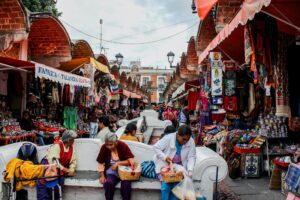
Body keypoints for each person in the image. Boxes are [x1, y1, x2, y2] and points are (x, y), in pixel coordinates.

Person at [153, 125, 196, 200]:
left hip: (179, 168)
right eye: (184, 139)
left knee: (177, 188)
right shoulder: (168, 138)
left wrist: (190, 170)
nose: (185, 142)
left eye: (187, 140)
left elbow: (191, 156)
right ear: (178, 135)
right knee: (165, 186)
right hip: (165, 166)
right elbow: (156, 147)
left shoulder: (191, 141)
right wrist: (165, 157)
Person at [37, 130, 77, 200]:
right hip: (49, 166)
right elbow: (53, 161)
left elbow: (73, 161)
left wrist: (71, 170)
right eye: (72, 139)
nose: (73, 141)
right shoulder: (57, 146)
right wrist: (65, 169)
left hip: (59, 168)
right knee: (44, 186)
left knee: (58, 187)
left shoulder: (71, 148)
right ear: (68, 140)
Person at [97, 132, 135, 200]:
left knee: (126, 185)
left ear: (116, 142)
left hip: (124, 172)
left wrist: (118, 163)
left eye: (111, 145)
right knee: (108, 183)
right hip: (112, 172)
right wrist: (102, 176)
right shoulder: (104, 147)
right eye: (107, 145)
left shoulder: (123, 145)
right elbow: (100, 163)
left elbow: (131, 161)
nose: (108, 147)